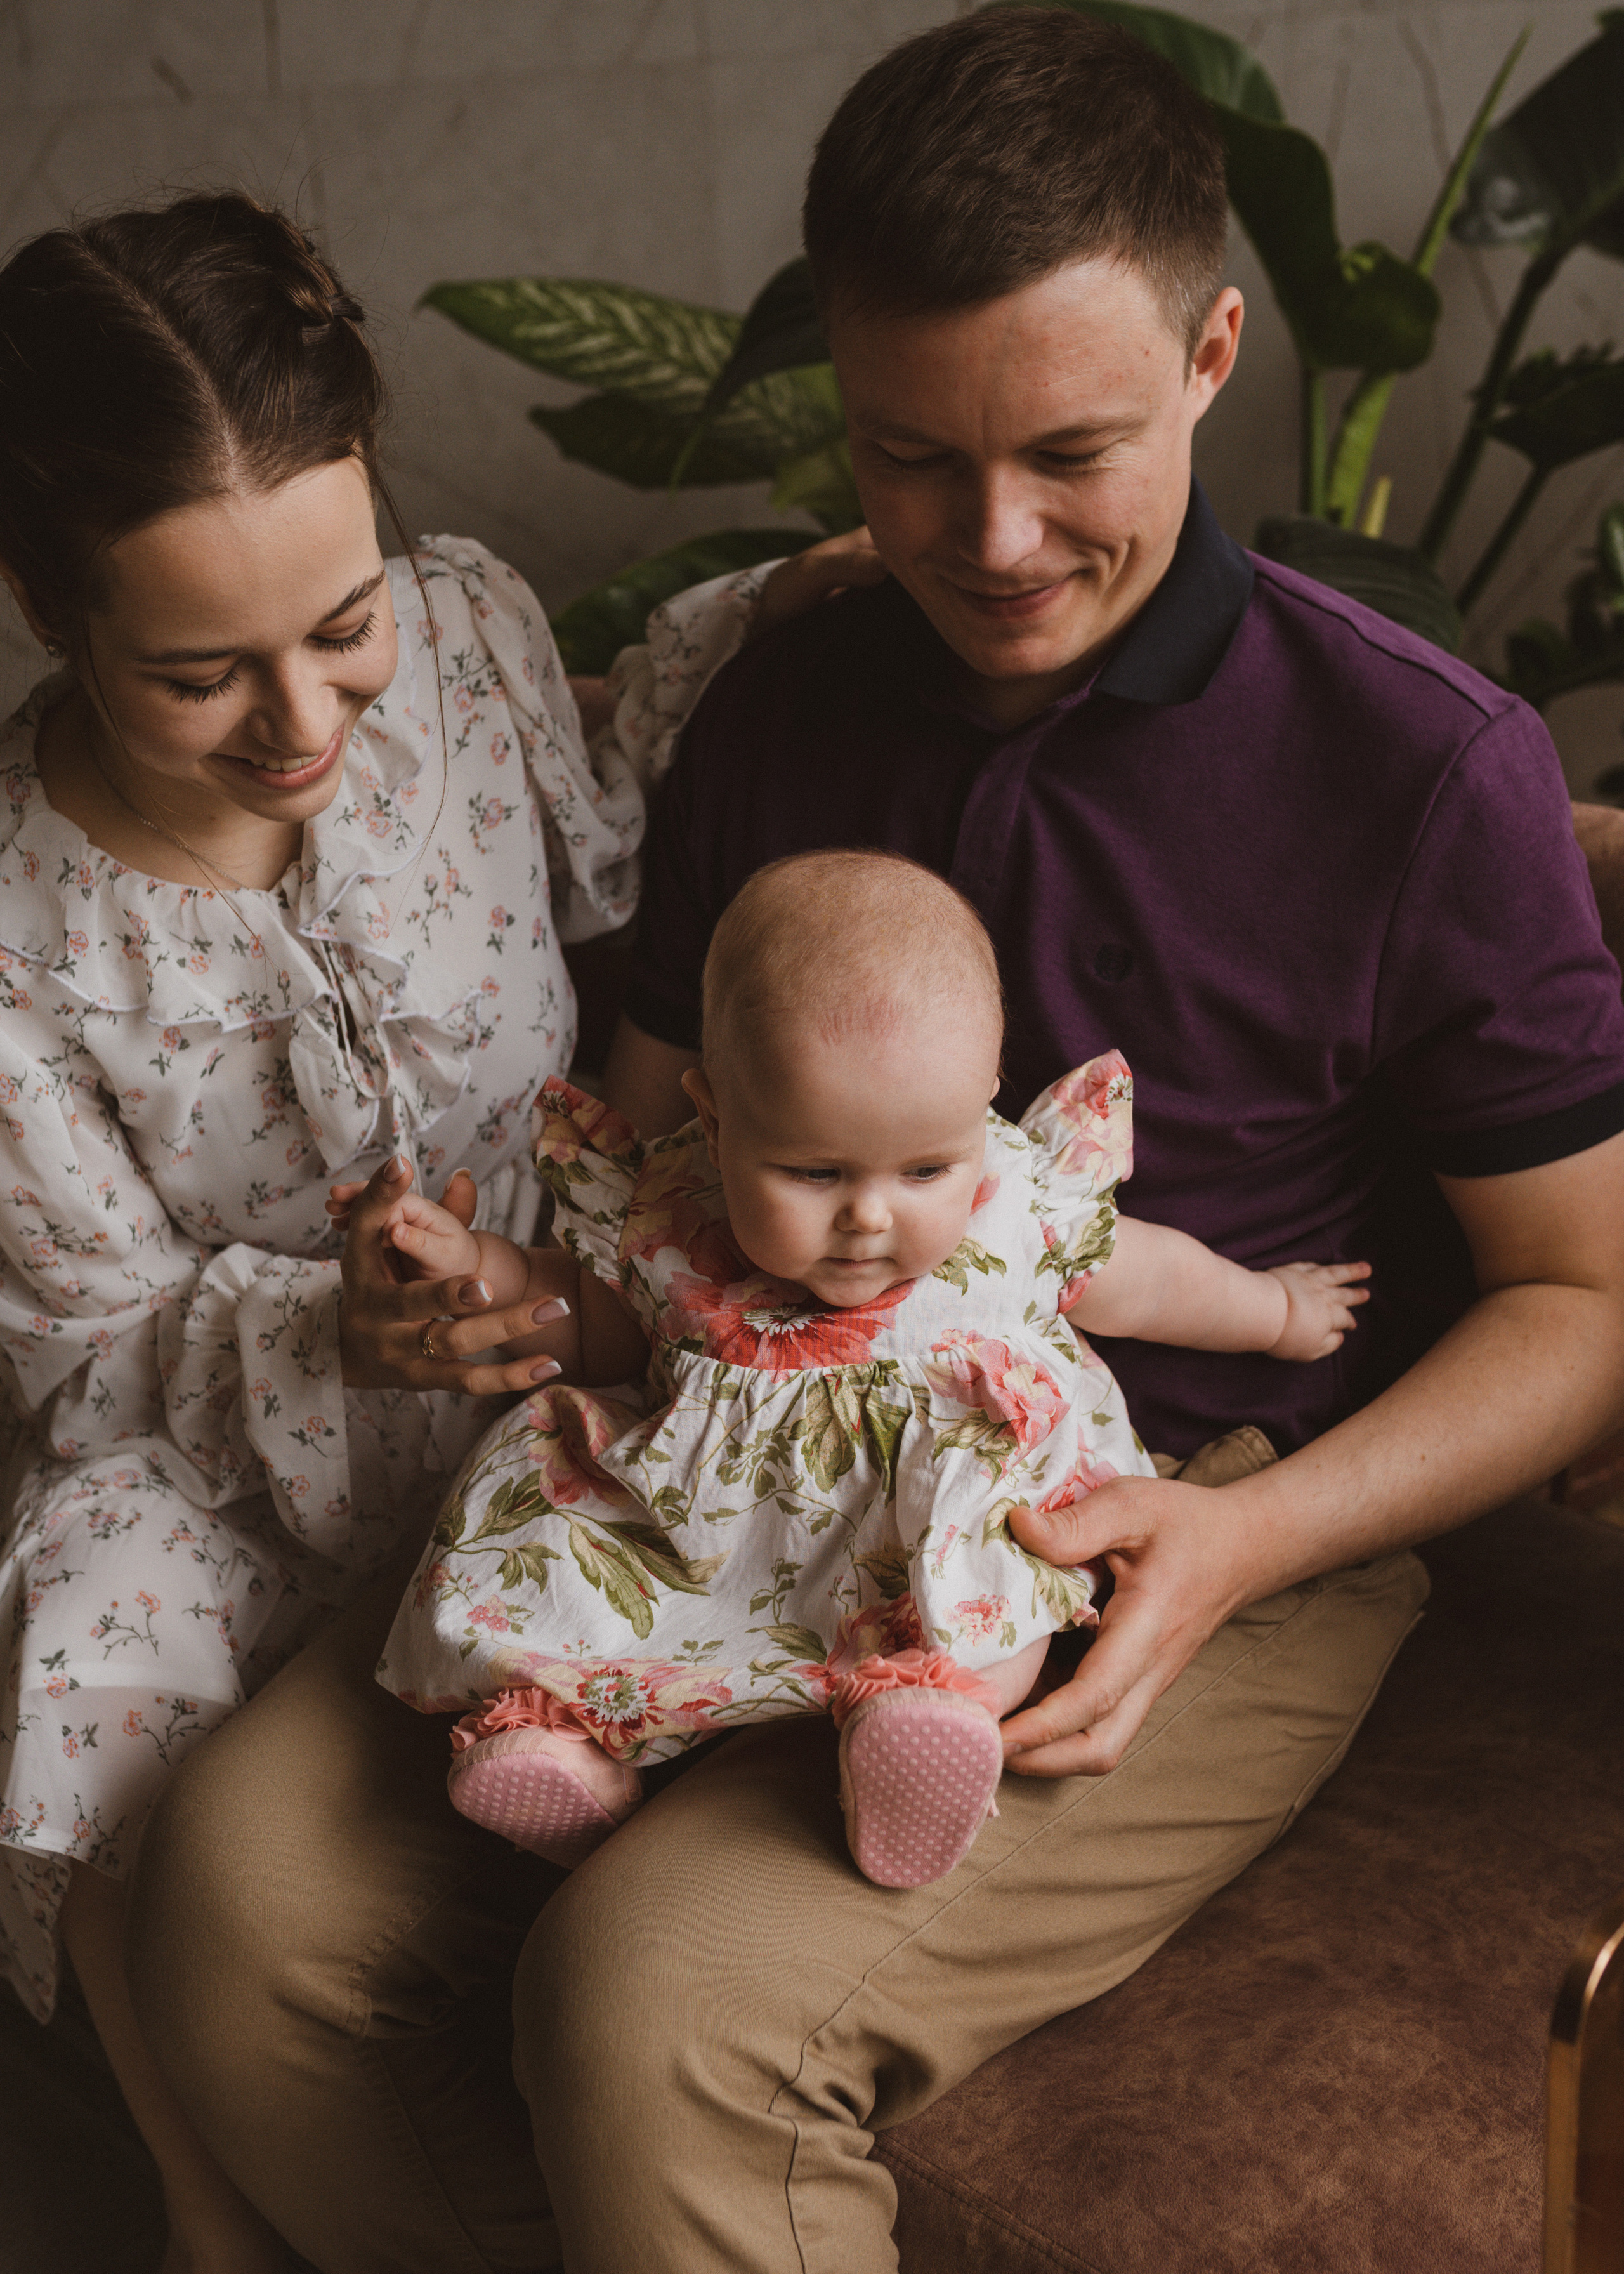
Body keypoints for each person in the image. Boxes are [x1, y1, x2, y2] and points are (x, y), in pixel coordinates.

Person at [126, 15, 1624, 2274]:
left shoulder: (1421, 765)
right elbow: (631, 1171)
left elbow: (1589, 1299)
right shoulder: (783, 692)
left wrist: (1249, 1546)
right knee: (228, 1880)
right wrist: (526, 1305)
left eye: (1070, 453)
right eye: (911, 456)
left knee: (655, 2010)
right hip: (727, 1451)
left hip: (1167, 1512)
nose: (992, 540)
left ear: (1218, 349)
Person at [0, 190, 853, 2273]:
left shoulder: (462, 641)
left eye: (342, 624)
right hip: (233, 1438)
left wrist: (813, 591)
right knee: (85, 1662)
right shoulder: (23, 935)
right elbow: (73, 1342)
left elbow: (613, 788)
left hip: (564, 1320)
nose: (303, 721)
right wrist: (325, 1336)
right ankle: (205, 2203)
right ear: (50, 612)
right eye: (200, 673)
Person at [362, 851, 1370, 1888]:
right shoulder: (671, 1212)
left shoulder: (1016, 1202)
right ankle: (565, 1748)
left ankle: (926, 1720)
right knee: (577, 1563)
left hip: (929, 1524)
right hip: (720, 1549)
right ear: (713, 1120)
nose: (870, 1216)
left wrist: (1277, 1309)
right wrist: (473, 1271)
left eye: (926, 1168)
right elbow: (594, 1326)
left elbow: (1151, 1281)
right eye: (814, 1172)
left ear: (984, 1104)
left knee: (995, 1569)